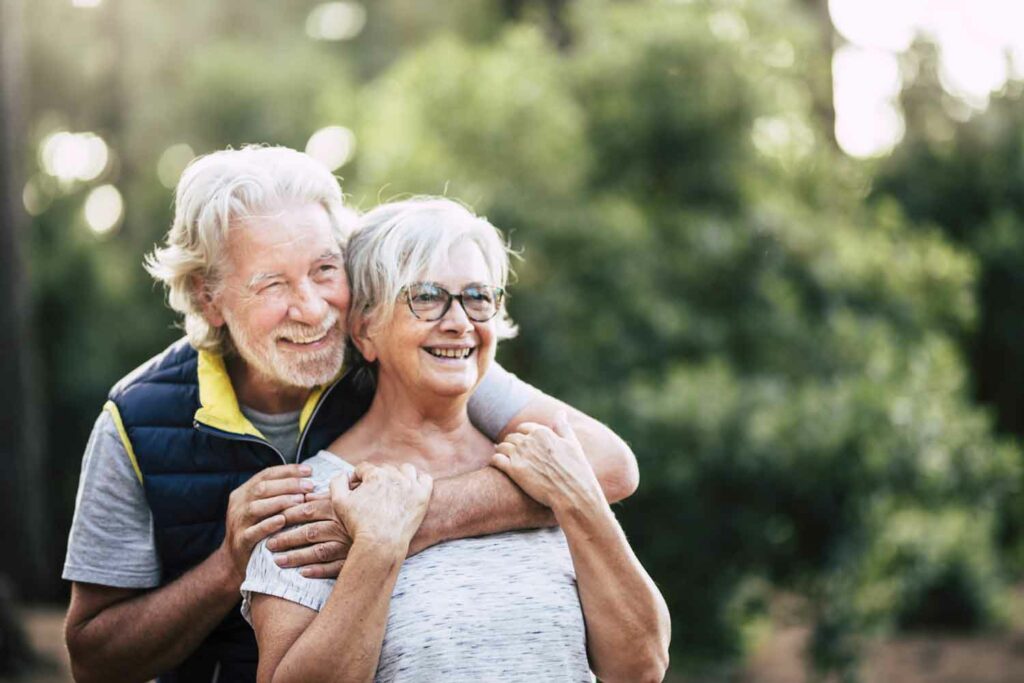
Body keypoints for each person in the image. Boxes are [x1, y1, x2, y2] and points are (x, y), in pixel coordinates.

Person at [61, 146, 640, 683]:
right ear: (209, 296)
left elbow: (607, 466)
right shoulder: (136, 420)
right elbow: (94, 657)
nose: (313, 310)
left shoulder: (400, 353)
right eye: (271, 284)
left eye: (323, 270)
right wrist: (227, 566)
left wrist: (415, 516)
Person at [242, 197, 671, 683]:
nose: (459, 321)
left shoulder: (543, 471)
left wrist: (578, 499)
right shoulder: (309, 501)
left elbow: (642, 666)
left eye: (477, 296)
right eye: (426, 297)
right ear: (365, 329)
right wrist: (378, 548)